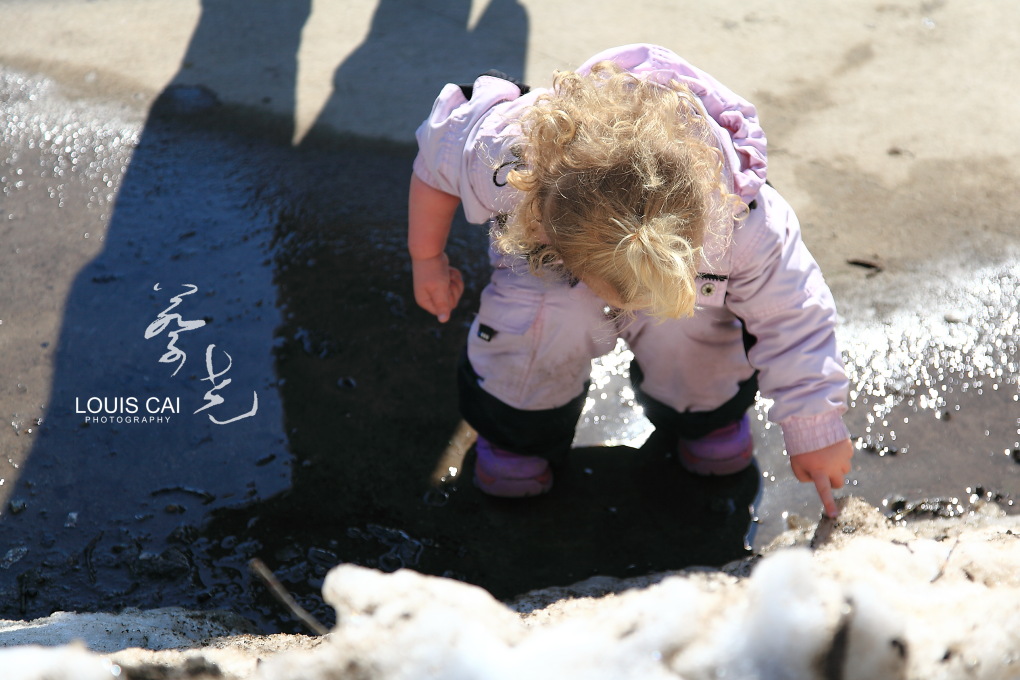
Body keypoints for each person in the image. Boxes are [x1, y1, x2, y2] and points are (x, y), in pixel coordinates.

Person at [408, 44, 853, 518]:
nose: (629, 308)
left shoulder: (745, 221)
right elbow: (441, 156)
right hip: (546, 272)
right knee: (544, 317)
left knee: (690, 324)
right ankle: (521, 431)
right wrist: (427, 257)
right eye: (621, 294)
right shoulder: (512, 158)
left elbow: (795, 316)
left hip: (695, 281)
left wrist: (816, 428)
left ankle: (704, 415)